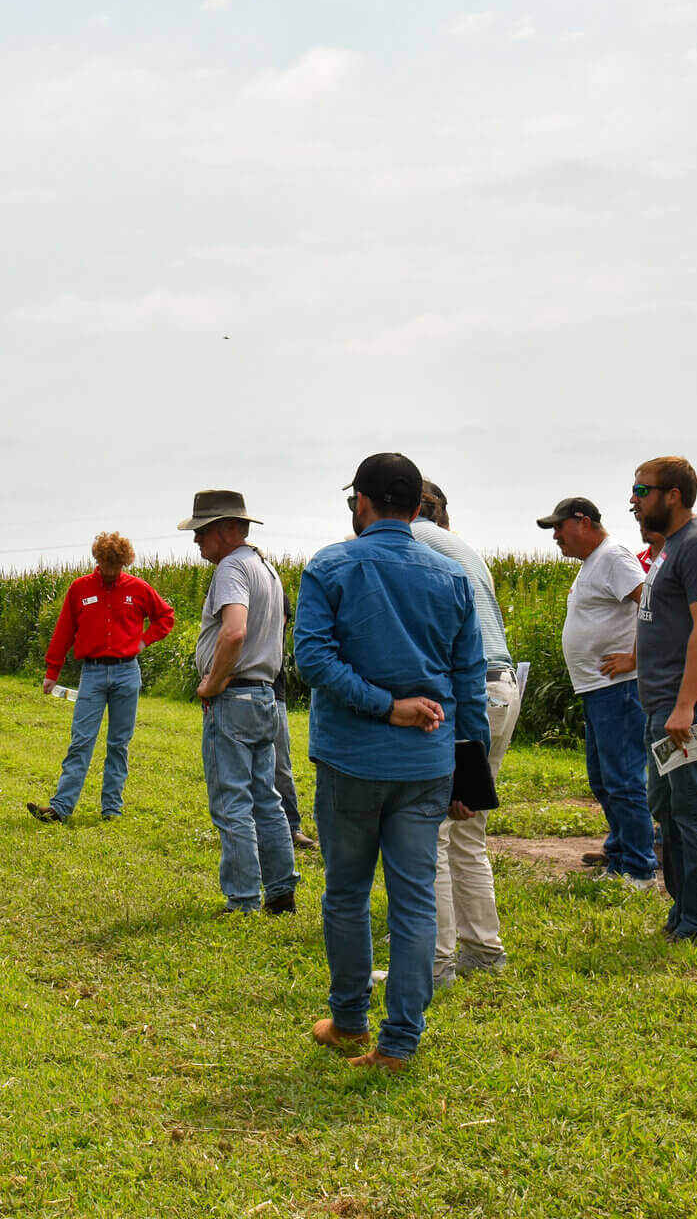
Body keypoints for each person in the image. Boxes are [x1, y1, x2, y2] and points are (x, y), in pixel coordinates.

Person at [295, 453, 487, 1072]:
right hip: (427, 765)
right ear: (415, 505)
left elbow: (314, 660)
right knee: (413, 902)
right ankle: (400, 1041)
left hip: (352, 759)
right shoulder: (452, 575)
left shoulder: (330, 566)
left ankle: (349, 1021)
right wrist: (469, 770)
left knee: (347, 893)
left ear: (362, 502)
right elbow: (468, 682)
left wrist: (385, 706)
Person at [412, 482, 523, 988]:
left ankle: (435, 964)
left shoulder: (410, 542)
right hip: (501, 688)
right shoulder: (463, 547)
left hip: (464, 693)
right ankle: (484, 949)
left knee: (428, 831)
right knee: (467, 830)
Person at [630, 457, 697, 942]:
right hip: (665, 706)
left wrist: (685, 706)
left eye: (641, 489)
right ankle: (684, 913)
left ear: (672, 494)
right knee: (669, 810)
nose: (633, 500)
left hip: (685, 710)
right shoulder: (672, 547)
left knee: (694, 812)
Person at [179, 490, 297, 915]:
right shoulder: (265, 567)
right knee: (266, 796)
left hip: (234, 696)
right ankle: (281, 890)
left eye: (203, 531)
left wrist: (212, 682)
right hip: (266, 694)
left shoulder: (231, 569)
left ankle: (243, 898)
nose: (196, 541)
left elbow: (233, 632)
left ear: (228, 529)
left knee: (232, 801)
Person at [539, 497, 657, 889]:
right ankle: (620, 852)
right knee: (604, 779)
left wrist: (637, 659)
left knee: (623, 779)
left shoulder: (614, 557)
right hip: (597, 689)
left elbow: (653, 604)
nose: (555, 536)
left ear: (583, 521)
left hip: (619, 689)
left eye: (559, 527)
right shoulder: (595, 563)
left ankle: (640, 868)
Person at [28, 532, 175, 823]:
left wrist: (143, 641)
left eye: (116, 565)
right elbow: (64, 631)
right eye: (106, 564)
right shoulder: (79, 589)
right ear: (97, 560)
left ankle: (111, 810)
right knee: (81, 740)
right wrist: (51, 672)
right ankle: (60, 807)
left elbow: (165, 617)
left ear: (124, 562)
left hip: (126, 671)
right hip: (92, 674)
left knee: (118, 743)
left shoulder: (139, 589)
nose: (110, 571)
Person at [272, 586, 315, 851]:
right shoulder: (225, 584)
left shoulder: (275, 590)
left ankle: (290, 827)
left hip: (272, 688)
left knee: (280, 765)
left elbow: (274, 635)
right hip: (231, 689)